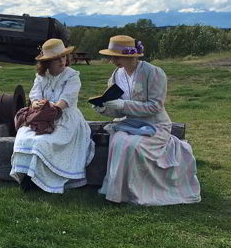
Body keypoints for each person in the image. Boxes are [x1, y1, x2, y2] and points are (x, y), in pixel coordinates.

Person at [93, 35, 200, 206]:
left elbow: (155, 106)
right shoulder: (116, 75)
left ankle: (138, 191)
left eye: (116, 56)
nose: (112, 60)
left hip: (156, 125)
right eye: (111, 56)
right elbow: (117, 107)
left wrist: (124, 104)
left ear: (131, 56)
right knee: (119, 140)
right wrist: (104, 108)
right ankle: (118, 193)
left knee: (133, 145)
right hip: (129, 124)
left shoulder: (153, 73)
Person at [11, 38, 95, 193]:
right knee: (24, 137)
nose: (62, 61)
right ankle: (28, 178)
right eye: (56, 59)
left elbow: (65, 100)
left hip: (65, 119)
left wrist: (51, 106)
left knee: (43, 143)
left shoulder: (72, 76)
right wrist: (36, 104)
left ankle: (43, 181)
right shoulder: (41, 76)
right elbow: (35, 95)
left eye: (63, 57)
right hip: (41, 118)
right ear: (47, 62)